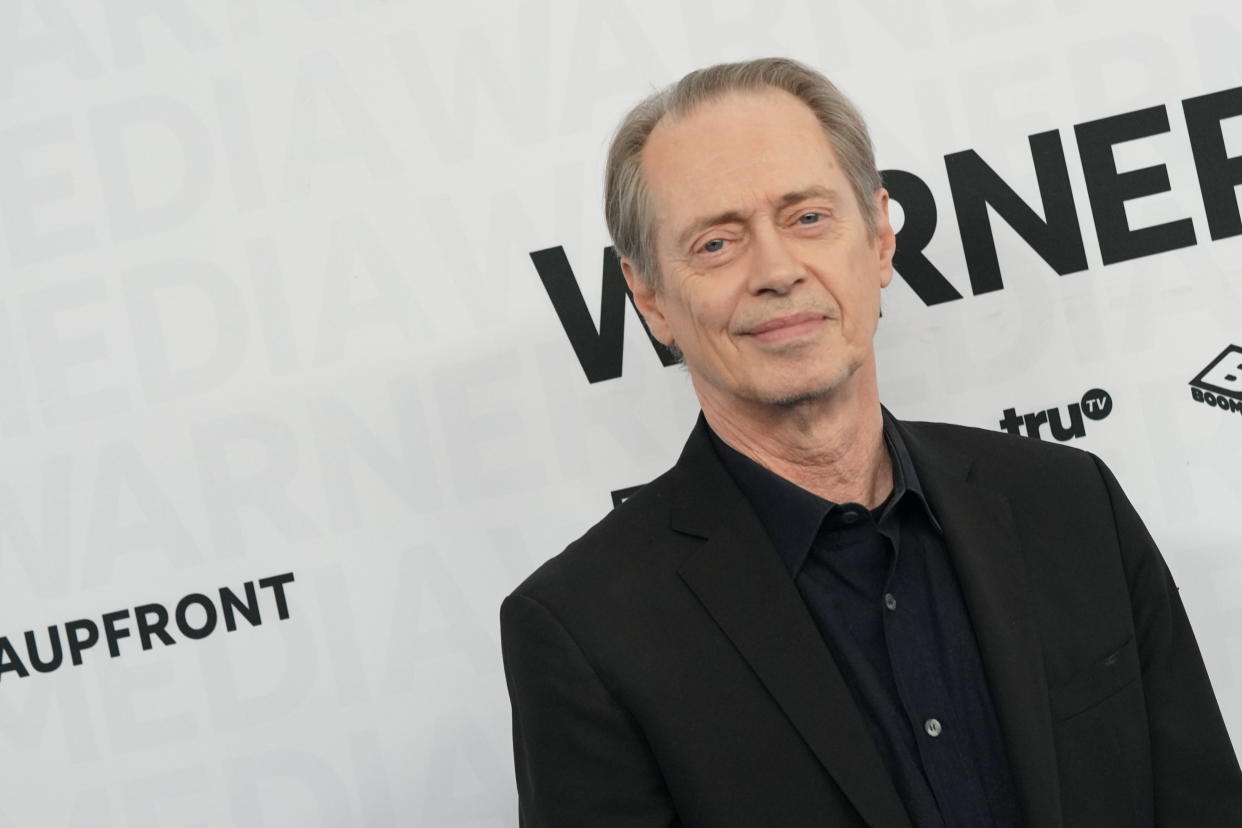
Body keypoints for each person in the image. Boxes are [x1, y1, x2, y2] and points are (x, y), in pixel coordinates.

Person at [499, 57, 1242, 827]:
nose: (777, 270)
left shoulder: (1071, 504)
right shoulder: (583, 633)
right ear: (650, 298)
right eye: (716, 243)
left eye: (808, 217)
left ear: (880, 239)